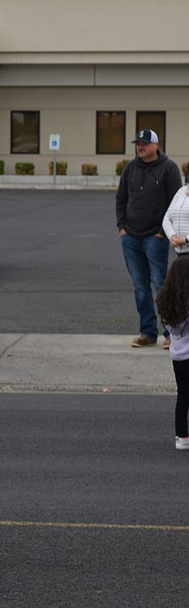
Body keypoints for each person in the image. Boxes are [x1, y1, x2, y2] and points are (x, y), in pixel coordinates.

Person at [117, 129, 182, 349]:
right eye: (138, 144)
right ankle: (147, 332)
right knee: (140, 286)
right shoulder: (130, 168)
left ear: (156, 145)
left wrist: (163, 233)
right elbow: (121, 198)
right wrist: (122, 228)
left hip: (156, 237)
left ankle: (170, 333)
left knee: (161, 284)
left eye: (144, 144)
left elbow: (176, 202)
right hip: (131, 237)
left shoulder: (169, 168)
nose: (140, 147)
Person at [157, 256, 189, 451]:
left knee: (183, 395)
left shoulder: (168, 302)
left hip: (178, 355)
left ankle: (181, 436)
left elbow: (174, 330)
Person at [163, 181, 189, 260]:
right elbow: (167, 217)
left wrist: (186, 239)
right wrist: (172, 236)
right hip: (180, 254)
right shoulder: (182, 191)